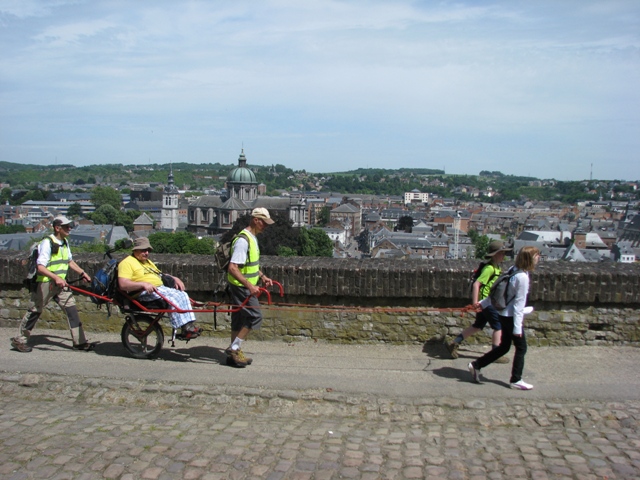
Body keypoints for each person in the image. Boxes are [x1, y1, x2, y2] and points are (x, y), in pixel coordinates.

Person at [11, 216, 94, 353]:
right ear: (57, 228)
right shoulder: (47, 243)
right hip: (46, 283)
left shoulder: (65, 242)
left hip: (60, 283)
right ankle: (19, 340)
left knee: (72, 311)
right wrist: (56, 278)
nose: (70, 228)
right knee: (35, 311)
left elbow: (69, 261)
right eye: (66, 226)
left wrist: (82, 273)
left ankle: (79, 342)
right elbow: (41, 267)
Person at [467, 246, 541, 390]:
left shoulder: (513, 270)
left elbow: (497, 290)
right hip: (512, 317)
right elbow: (519, 306)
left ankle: (477, 365)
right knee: (521, 347)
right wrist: (517, 328)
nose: (538, 258)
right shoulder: (523, 277)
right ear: (529, 259)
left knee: (504, 347)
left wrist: (482, 303)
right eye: (536, 256)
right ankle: (516, 379)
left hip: (503, 314)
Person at [117, 237, 201, 338]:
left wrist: (174, 278)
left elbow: (160, 274)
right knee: (174, 297)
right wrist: (143, 284)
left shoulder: (147, 262)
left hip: (158, 288)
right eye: (143, 250)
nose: (146, 253)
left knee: (183, 294)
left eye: (148, 250)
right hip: (142, 292)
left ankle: (188, 325)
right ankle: (185, 328)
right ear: (135, 250)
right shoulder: (127, 263)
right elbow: (123, 284)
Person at [447, 240, 512, 363]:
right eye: (502, 253)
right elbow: (477, 284)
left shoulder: (496, 267)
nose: (504, 256)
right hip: (487, 302)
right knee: (498, 327)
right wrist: (476, 302)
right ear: (496, 254)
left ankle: (454, 343)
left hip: (486, 302)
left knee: (477, 326)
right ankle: (496, 354)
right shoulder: (490, 268)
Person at [225, 207, 275, 367]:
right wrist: (250, 286)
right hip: (242, 286)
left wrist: (262, 276)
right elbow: (233, 268)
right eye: (264, 223)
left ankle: (233, 356)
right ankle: (234, 347)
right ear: (255, 220)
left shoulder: (252, 237)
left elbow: (249, 265)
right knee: (255, 316)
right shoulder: (243, 240)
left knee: (239, 319)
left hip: (245, 285)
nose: (266, 226)